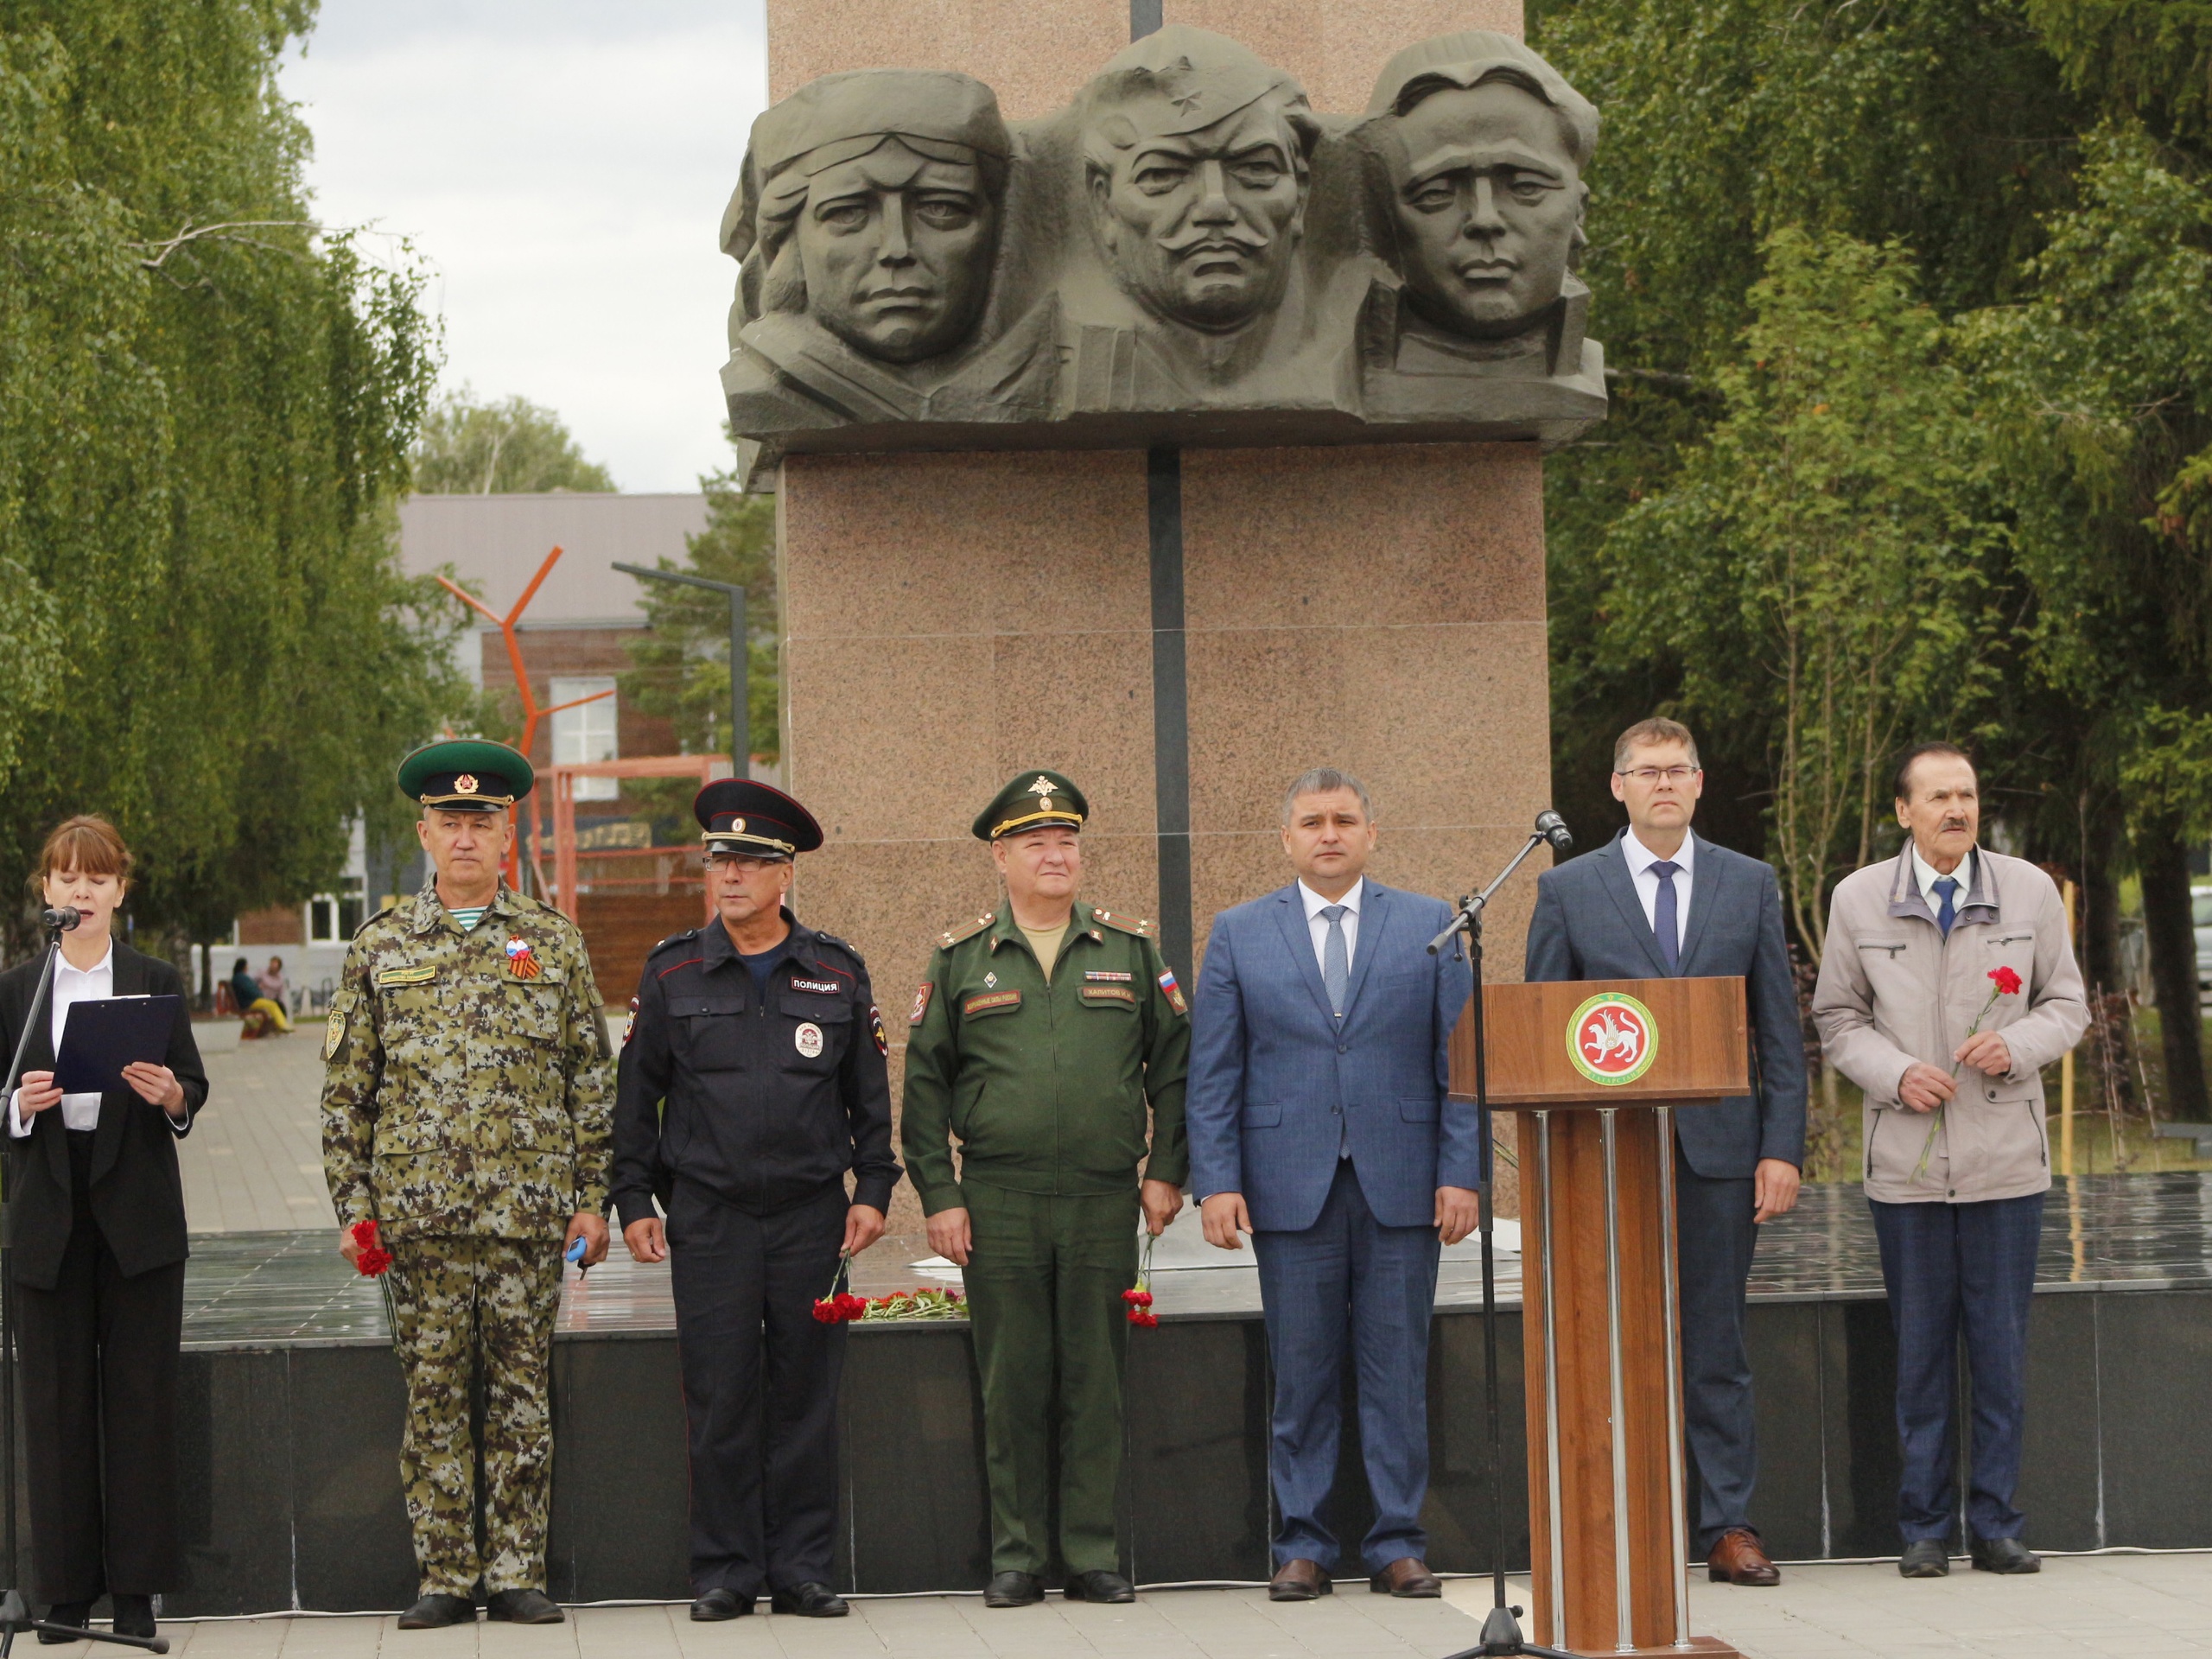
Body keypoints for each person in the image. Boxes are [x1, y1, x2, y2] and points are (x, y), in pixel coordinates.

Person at [321, 740, 613, 1630]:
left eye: (480, 822)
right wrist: (355, 1211)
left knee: (523, 1398)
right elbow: (347, 1091)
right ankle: (446, 1575)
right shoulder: (379, 946)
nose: (465, 837)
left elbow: (590, 1081)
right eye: (450, 822)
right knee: (435, 1397)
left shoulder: (554, 944)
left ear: (507, 833)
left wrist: (591, 1198)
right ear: (423, 832)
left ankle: (516, 1570)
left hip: (527, 1218)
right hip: (418, 1223)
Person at [1521, 717, 1807, 1586]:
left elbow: (1778, 1033)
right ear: (1617, 787)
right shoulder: (1569, 890)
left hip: (1720, 1155)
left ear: (1698, 783)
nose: (1663, 785)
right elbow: (1541, 1028)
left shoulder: (1747, 883)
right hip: (1604, 1157)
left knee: (1714, 1345)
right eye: (1646, 772)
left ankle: (1726, 1525)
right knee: (1607, 1340)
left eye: (1676, 770)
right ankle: (1615, 1523)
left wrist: (1780, 1149)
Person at [612, 780, 899, 1621]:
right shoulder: (672, 970)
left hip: (811, 1217)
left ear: (785, 876)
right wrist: (633, 1199)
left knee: (805, 1395)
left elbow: (868, 1098)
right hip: (711, 1218)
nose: (730, 876)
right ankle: (727, 1569)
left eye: (749, 863)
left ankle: (804, 1567)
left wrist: (873, 1188)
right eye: (720, 861)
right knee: (721, 1394)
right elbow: (637, 1099)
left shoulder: (836, 971)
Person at [900, 771, 1189, 1607]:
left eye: (1066, 840)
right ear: (1001, 856)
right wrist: (941, 1194)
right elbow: (923, 1086)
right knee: (1012, 1380)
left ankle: (1092, 1552)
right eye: (1035, 842)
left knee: (1095, 1380)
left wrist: (1166, 1169)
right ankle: (1017, 1557)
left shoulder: (1130, 950)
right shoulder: (960, 959)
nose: (1054, 854)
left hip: (1102, 1198)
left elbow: (1174, 1067)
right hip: (999, 1202)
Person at [1185, 768, 1474, 1600]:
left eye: (1345, 819)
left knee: (1396, 1372)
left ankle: (1396, 1544)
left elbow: (1462, 1063)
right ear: (1287, 839)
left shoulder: (1431, 925)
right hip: (1288, 1184)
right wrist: (1218, 1181)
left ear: (1371, 834)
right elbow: (1216, 1070)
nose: (1329, 833)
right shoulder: (1240, 932)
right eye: (1312, 821)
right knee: (1302, 1373)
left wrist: (1461, 1173)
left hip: (1405, 1184)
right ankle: (1301, 1544)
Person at [1812, 743, 2087, 1578]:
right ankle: (1923, 1527)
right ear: (1903, 811)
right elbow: (1836, 1019)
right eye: (1937, 797)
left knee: (1999, 1354)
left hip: (2006, 1160)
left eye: (1966, 795)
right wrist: (1895, 1075)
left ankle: (1997, 1523)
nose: (1956, 810)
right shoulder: (1858, 899)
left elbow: (2067, 1003)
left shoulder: (2029, 891)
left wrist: (2016, 1044)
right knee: (1921, 1353)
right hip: (1908, 1169)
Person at [1, 816, 207, 1644]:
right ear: (45, 892)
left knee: (139, 1399)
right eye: (66, 878)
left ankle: (135, 1592)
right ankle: (63, 1592)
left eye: (97, 879)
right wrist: (18, 1106)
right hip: (50, 1215)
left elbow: (191, 1084)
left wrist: (170, 1095)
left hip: (138, 1215)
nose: (81, 892)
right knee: (53, 1405)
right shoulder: (17, 991)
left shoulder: (153, 978)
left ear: (121, 891)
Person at [228, 955, 289, 1035]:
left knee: (276, 1005)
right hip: (249, 1003)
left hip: (254, 1000)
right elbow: (251, 990)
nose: (248, 968)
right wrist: (259, 991)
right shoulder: (241, 978)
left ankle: (281, 1026)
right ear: (244, 967)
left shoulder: (240, 977)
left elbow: (251, 987)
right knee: (272, 1005)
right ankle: (283, 1026)